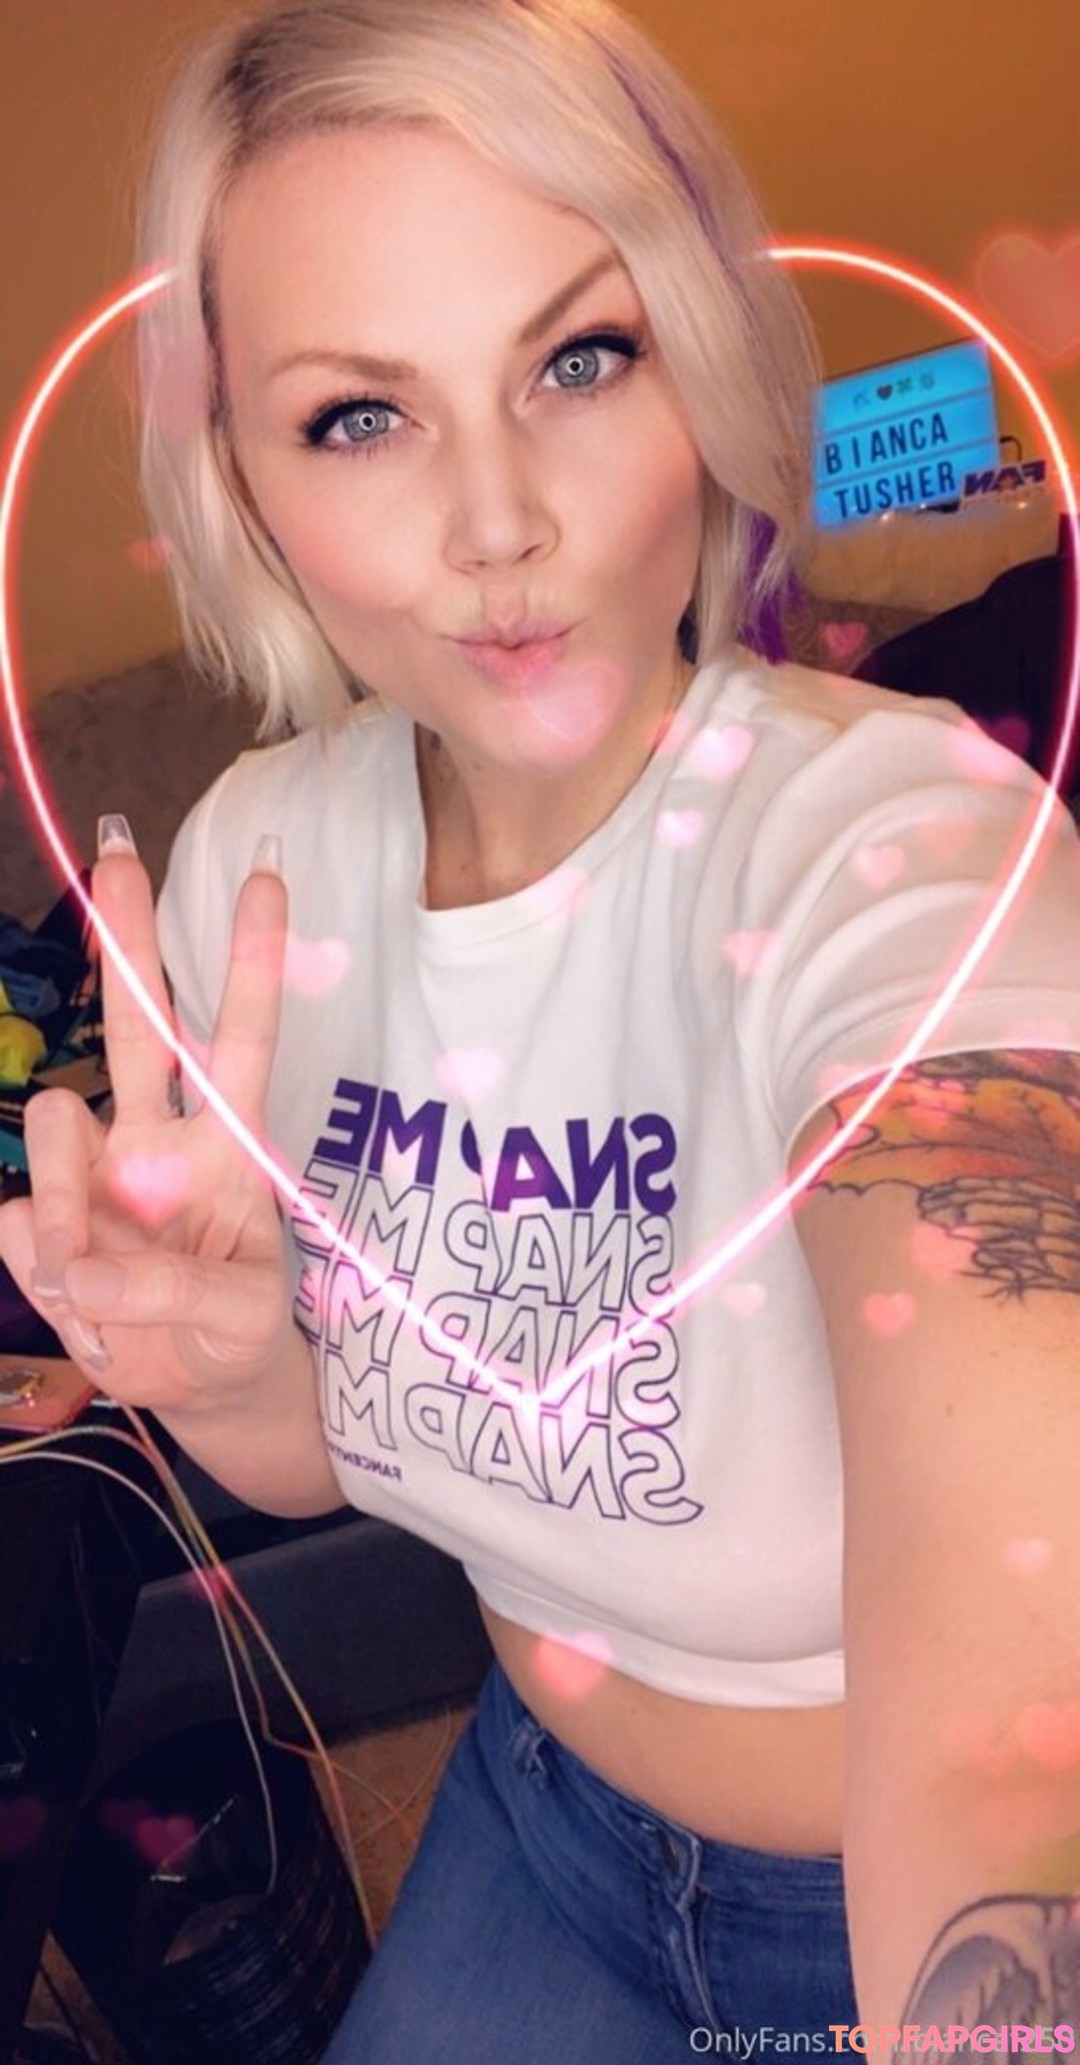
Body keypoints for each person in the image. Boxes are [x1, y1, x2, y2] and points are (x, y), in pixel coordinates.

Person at [3, 2, 1080, 2056]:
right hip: (539, 1814)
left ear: (702, 360)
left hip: (850, 1910)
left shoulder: (902, 858)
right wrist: (230, 1381)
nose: (498, 521)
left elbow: (1023, 1681)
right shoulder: (261, 873)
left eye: (579, 358)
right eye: (360, 415)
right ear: (242, 477)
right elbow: (346, 1451)